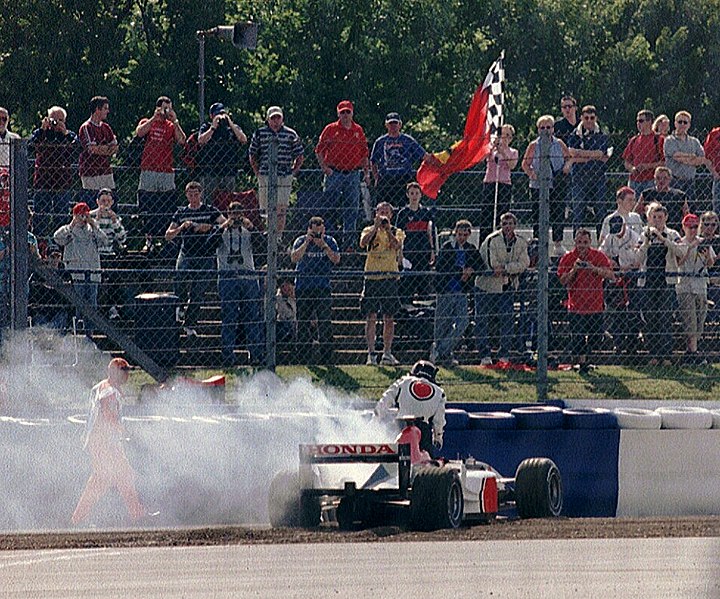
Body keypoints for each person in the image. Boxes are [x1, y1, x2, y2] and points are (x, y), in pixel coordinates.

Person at [71, 357, 148, 525]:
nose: (127, 375)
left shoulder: (102, 387)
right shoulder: (109, 391)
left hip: (104, 440)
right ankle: (78, 520)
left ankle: (138, 515)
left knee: (122, 475)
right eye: (124, 371)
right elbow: (108, 413)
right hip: (104, 441)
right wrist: (124, 431)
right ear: (114, 372)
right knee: (103, 479)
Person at [165, 181, 225, 338]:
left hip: (205, 254)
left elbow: (225, 224)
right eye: (190, 194)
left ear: (201, 194)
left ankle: (190, 324)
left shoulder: (210, 210)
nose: (193, 197)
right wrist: (181, 227)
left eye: (196, 194)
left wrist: (209, 227)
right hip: (186, 252)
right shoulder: (181, 213)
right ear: (186, 195)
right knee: (179, 276)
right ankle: (180, 305)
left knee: (198, 292)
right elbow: (168, 235)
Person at [315, 100, 371, 251]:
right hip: (334, 173)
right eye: (342, 112)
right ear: (338, 113)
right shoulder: (331, 129)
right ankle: (328, 241)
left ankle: (349, 244)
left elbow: (364, 154)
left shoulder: (358, 130)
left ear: (352, 113)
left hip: (353, 174)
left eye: (348, 112)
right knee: (329, 207)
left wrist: (366, 173)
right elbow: (319, 150)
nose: (345, 115)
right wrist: (325, 168)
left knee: (351, 209)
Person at [475, 212, 530, 365]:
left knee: (507, 320)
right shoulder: (492, 240)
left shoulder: (521, 242)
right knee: (482, 320)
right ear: (500, 225)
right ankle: (484, 355)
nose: (507, 227)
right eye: (504, 224)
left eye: (510, 223)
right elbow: (493, 265)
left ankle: (504, 354)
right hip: (486, 286)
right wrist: (512, 268)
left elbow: (524, 263)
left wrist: (506, 268)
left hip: (507, 287)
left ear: (515, 225)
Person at [557, 228, 614, 373]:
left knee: (596, 336)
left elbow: (610, 275)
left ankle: (586, 360)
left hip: (595, 305)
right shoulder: (569, 257)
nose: (582, 245)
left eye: (585, 242)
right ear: (575, 242)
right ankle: (582, 363)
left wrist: (593, 268)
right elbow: (563, 280)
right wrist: (574, 270)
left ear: (590, 243)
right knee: (578, 336)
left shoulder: (597, 256)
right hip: (576, 305)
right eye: (579, 242)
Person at [135, 96, 187, 252]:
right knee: (147, 204)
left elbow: (182, 141)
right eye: (164, 108)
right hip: (149, 169)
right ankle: (149, 240)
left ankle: (167, 239)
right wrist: (154, 118)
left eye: (169, 108)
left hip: (166, 170)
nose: (166, 111)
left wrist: (175, 121)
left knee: (167, 204)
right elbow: (139, 133)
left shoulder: (171, 125)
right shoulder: (148, 122)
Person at [215, 201, 264, 366]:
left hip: (248, 276)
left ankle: (255, 354)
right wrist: (223, 226)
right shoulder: (221, 231)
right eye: (232, 213)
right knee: (229, 317)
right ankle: (228, 355)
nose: (236, 217)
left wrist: (251, 227)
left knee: (252, 317)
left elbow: (263, 246)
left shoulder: (248, 231)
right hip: (228, 276)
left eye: (238, 213)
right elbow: (207, 244)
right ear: (228, 214)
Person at [636, 202, 684, 365]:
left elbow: (681, 251)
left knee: (665, 317)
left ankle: (666, 355)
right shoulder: (643, 235)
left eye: (660, 217)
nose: (657, 220)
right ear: (649, 218)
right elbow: (637, 259)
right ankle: (653, 355)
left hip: (666, 282)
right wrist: (647, 242)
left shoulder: (672, 233)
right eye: (654, 217)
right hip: (647, 282)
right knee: (650, 318)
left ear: (666, 218)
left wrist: (664, 239)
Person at [359, 201, 405, 365]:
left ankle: (387, 352)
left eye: (387, 212)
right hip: (372, 276)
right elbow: (363, 243)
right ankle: (371, 353)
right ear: (375, 214)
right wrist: (375, 228)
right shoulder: (368, 229)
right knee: (371, 316)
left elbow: (397, 246)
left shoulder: (396, 231)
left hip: (389, 276)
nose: (384, 215)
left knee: (389, 317)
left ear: (391, 215)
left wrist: (388, 230)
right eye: (381, 212)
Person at [290, 215, 340, 363]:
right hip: (303, 286)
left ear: (323, 229)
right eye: (314, 232)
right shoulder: (300, 240)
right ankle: (304, 357)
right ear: (309, 230)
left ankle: (327, 357)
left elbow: (336, 259)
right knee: (303, 322)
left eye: (320, 231)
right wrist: (307, 242)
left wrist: (323, 244)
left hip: (322, 286)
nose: (317, 234)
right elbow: (294, 258)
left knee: (324, 322)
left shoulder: (330, 241)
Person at [248, 106, 304, 236]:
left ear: (282, 119)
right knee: (266, 209)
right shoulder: (260, 133)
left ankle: (277, 236)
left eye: (278, 117)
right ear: (268, 119)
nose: (276, 121)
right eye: (273, 118)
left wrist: (293, 172)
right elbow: (252, 154)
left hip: (284, 175)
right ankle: (267, 235)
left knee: (281, 208)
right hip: (265, 174)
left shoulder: (291, 134)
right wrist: (257, 172)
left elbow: (300, 155)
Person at [430, 220, 479, 367]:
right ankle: (443, 353)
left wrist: (470, 269)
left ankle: (442, 349)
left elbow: (479, 263)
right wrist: (460, 271)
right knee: (442, 323)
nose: (462, 237)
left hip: (461, 291)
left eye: (465, 234)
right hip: (446, 290)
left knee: (462, 322)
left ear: (469, 234)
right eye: (459, 234)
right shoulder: (447, 247)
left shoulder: (471, 248)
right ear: (455, 233)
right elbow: (442, 266)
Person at [53, 202, 108, 332]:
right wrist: (72, 224)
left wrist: (93, 224)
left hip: (92, 272)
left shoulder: (93, 230)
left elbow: (105, 240)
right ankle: (78, 326)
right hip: (76, 273)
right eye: (80, 215)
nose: (82, 218)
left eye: (85, 215)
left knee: (92, 304)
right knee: (78, 303)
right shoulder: (68, 230)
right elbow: (57, 238)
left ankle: (90, 331)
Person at [374, 360, 446, 455]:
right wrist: (438, 437)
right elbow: (439, 421)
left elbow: (385, 401)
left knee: (394, 455)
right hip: (423, 431)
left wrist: (375, 420)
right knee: (426, 459)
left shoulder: (403, 382)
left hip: (400, 426)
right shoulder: (440, 393)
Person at [521, 115, 570, 255]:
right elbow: (525, 164)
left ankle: (558, 243)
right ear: (538, 130)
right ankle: (539, 242)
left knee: (558, 213)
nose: (545, 130)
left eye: (548, 127)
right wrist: (532, 174)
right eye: (542, 128)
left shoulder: (559, 144)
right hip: (538, 185)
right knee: (537, 214)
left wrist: (566, 167)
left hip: (557, 185)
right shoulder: (533, 146)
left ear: (553, 129)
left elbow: (568, 158)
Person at [29, 105, 79, 240]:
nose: (56, 123)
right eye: (53, 120)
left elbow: (77, 150)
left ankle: (60, 247)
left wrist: (65, 134)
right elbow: (29, 147)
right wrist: (43, 129)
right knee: (40, 217)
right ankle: (39, 245)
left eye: (60, 120)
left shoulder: (69, 135)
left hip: (62, 182)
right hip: (42, 181)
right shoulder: (41, 133)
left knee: (62, 216)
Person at [599, 215, 642, 354]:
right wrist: (609, 261)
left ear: (624, 225)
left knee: (633, 312)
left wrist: (627, 268)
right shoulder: (610, 238)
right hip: (616, 280)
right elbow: (601, 253)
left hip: (631, 278)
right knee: (617, 312)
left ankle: (632, 343)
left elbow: (639, 259)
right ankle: (618, 343)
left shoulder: (634, 237)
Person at [676, 213, 715, 363]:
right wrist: (691, 247)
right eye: (689, 227)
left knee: (700, 318)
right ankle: (693, 352)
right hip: (685, 284)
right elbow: (678, 262)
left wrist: (706, 256)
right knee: (689, 318)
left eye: (695, 226)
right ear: (684, 227)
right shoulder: (680, 242)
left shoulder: (703, 242)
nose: (692, 230)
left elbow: (710, 264)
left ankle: (693, 350)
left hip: (700, 285)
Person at [370, 112, 432, 206]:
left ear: (400, 124)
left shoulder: (407, 140)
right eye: (391, 123)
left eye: (395, 123)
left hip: (404, 178)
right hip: (386, 179)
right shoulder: (380, 141)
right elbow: (373, 161)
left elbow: (423, 156)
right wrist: (376, 177)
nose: (393, 126)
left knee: (405, 206)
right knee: (384, 206)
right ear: (386, 125)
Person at [566, 105, 610, 233]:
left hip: (598, 177)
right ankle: (577, 241)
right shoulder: (574, 134)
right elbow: (571, 153)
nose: (589, 121)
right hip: (579, 178)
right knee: (578, 211)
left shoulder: (601, 133)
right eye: (586, 118)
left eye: (592, 118)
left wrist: (580, 155)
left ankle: (601, 243)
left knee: (601, 211)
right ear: (581, 118)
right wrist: (592, 155)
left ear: (596, 118)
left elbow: (602, 154)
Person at [197, 102, 247, 208]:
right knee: (208, 201)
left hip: (229, 170)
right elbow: (201, 141)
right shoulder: (206, 127)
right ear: (211, 116)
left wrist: (230, 124)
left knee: (229, 201)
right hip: (210, 171)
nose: (220, 117)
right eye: (217, 114)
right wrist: (213, 127)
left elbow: (243, 139)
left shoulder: (232, 128)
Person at [393, 182, 435, 304]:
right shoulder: (403, 213)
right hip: (409, 252)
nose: (414, 196)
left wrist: (432, 251)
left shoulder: (426, 213)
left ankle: (423, 311)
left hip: (423, 251)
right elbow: (399, 235)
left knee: (423, 282)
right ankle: (407, 308)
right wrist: (400, 254)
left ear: (421, 195)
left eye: (417, 193)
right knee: (408, 282)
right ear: (407, 195)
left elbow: (430, 233)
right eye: (412, 193)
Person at [90, 189, 127, 319]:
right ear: (97, 202)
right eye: (102, 201)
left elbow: (122, 238)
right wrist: (98, 220)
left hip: (109, 254)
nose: (105, 204)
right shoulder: (91, 216)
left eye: (108, 201)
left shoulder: (114, 217)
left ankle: (113, 307)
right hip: (94, 254)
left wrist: (115, 221)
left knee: (115, 276)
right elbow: (93, 236)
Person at [663, 110, 711, 206]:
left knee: (691, 208)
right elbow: (676, 156)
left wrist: (686, 158)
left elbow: (702, 158)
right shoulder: (669, 140)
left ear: (689, 125)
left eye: (685, 122)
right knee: (674, 208)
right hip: (674, 181)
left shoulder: (694, 141)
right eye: (680, 122)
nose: (682, 124)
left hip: (690, 181)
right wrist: (692, 156)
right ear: (675, 123)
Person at [77, 96, 118, 203]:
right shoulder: (86, 127)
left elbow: (115, 148)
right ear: (97, 109)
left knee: (109, 200)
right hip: (90, 172)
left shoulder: (106, 127)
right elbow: (92, 149)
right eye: (105, 108)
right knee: (92, 200)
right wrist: (106, 148)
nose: (107, 111)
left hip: (105, 170)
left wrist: (103, 148)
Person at [481, 124, 519, 237]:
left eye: (507, 135)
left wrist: (503, 151)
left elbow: (512, 165)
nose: (504, 138)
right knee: (486, 213)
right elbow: (483, 158)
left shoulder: (513, 152)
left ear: (511, 138)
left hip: (504, 184)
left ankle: (501, 238)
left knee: (502, 212)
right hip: (490, 182)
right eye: (502, 135)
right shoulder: (492, 150)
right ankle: (484, 239)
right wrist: (492, 147)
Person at [29, 244, 72, 332]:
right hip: (41, 310)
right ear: (47, 257)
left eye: (58, 256)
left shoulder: (66, 274)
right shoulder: (39, 274)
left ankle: (54, 341)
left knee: (61, 319)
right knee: (41, 324)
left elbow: (69, 297)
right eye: (52, 256)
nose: (55, 260)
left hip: (59, 310)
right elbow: (34, 294)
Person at [622, 109, 665, 195]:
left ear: (649, 122)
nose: (638, 123)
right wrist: (632, 169)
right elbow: (626, 162)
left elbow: (664, 162)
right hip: (634, 180)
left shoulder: (659, 139)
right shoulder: (634, 140)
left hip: (651, 180)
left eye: (641, 121)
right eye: (637, 121)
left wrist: (647, 166)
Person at [637, 166, 689, 231]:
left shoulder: (680, 195)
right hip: (652, 229)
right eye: (658, 178)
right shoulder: (646, 194)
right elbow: (637, 212)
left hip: (675, 229)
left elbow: (686, 215)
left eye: (665, 178)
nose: (661, 181)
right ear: (654, 179)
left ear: (670, 179)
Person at [703, 124, 720, 215]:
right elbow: (706, 156)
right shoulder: (715, 134)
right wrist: (714, 173)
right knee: (717, 207)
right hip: (719, 176)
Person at [276, 279, 298, 346]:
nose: (286, 287)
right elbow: (283, 314)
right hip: (285, 323)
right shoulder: (279, 299)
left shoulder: (298, 298)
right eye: (283, 286)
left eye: (288, 284)